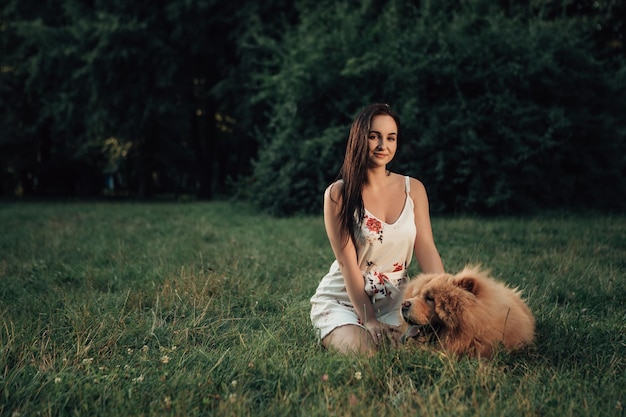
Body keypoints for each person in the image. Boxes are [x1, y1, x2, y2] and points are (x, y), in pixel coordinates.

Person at [310, 103, 445, 355]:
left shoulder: (413, 189)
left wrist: (443, 299)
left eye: (390, 138)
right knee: (368, 353)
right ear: (360, 138)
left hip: (397, 301)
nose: (383, 145)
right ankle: (339, 327)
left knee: (418, 352)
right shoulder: (338, 194)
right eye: (374, 136)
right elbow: (346, 264)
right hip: (346, 300)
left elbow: (426, 247)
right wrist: (369, 319)